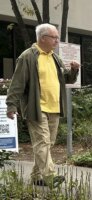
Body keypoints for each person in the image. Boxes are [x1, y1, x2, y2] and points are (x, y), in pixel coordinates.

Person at [6, 23, 80, 188]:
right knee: (42, 142)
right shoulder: (28, 57)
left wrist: (74, 71)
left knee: (47, 143)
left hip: (54, 108)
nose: (57, 41)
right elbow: (17, 84)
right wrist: (11, 105)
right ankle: (50, 176)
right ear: (43, 38)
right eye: (54, 37)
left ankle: (36, 176)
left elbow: (67, 79)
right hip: (36, 108)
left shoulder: (55, 57)